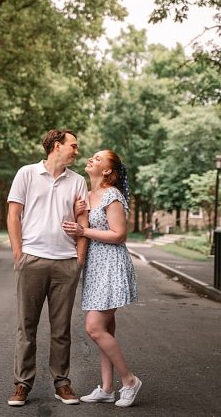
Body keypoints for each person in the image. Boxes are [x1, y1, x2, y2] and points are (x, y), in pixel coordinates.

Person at [6, 129, 89, 407]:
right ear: (57, 146)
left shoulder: (77, 181)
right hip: (32, 259)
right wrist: (19, 253)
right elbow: (14, 214)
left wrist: (79, 258)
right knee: (26, 326)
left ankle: (62, 383)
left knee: (61, 328)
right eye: (73, 146)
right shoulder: (26, 173)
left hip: (65, 262)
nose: (77, 151)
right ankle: (22, 383)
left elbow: (83, 221)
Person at [62, 150, 141, 407]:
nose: (91, 159)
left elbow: (119, 234)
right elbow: (83, 229)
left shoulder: (112, 195)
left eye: (98, 158)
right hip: (95, 267)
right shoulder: (86, 194)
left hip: (111, 267)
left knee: (94, 327)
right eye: (93, 156)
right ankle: (107, 389)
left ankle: (129, 380)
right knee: (106, 330)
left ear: (107, 170)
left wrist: (84, 229)